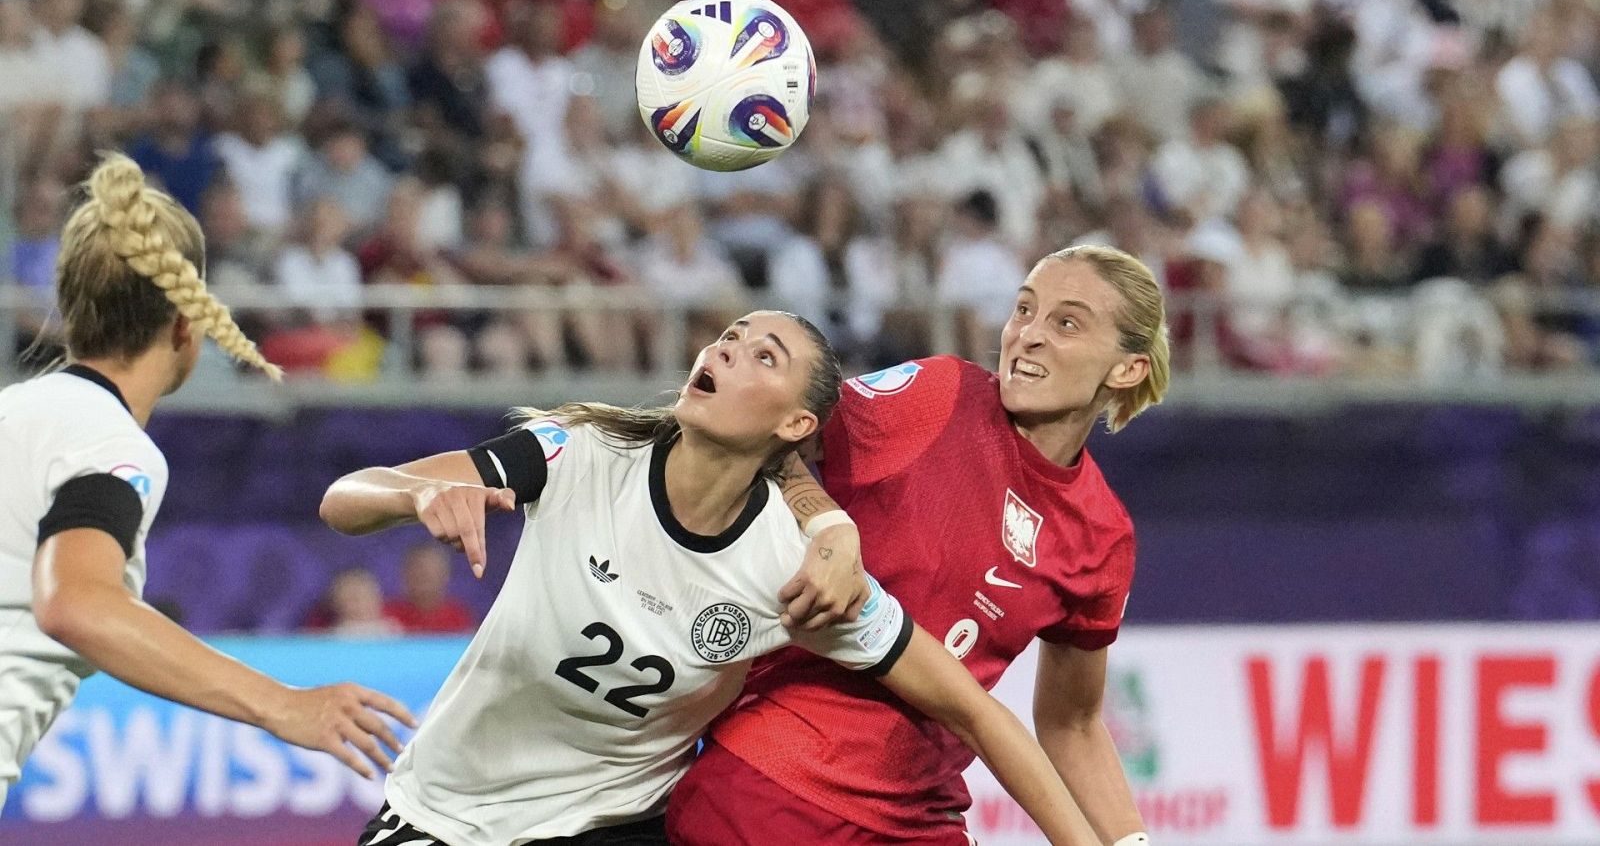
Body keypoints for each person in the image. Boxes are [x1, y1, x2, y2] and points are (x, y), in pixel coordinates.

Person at [320, 311, 1103, 846]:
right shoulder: (580, 455)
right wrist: (413, 491)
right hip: (453, 811)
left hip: (614, 824)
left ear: (798, 426)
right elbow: (344, 498)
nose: (726, 350)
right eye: (730, 337)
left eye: (765, 356)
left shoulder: (791, 568)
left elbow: (978, 713)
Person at [668, 246, 1167, 846]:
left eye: (1066, 323)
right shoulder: (942, 395)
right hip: (775, 784)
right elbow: (777, 432)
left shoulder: (1103, 535)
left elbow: (1072, 722)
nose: (1027, 336)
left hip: (922, 818)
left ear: (1127, 369)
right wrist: (830, 528)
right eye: (1024, 310)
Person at [0, 153, 416, 813]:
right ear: (187, 326)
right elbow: (75, 602)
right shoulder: (108, 443)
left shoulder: (16, 414)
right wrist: (285, 706)